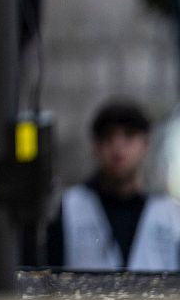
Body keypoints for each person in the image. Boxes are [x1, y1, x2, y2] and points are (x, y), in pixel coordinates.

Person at [45, 101, 180, 271]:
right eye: (108, 137)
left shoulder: (170, 215)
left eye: (129, 135)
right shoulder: (66, 208)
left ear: (146, 144)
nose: (118, 147)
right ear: (96, 146)